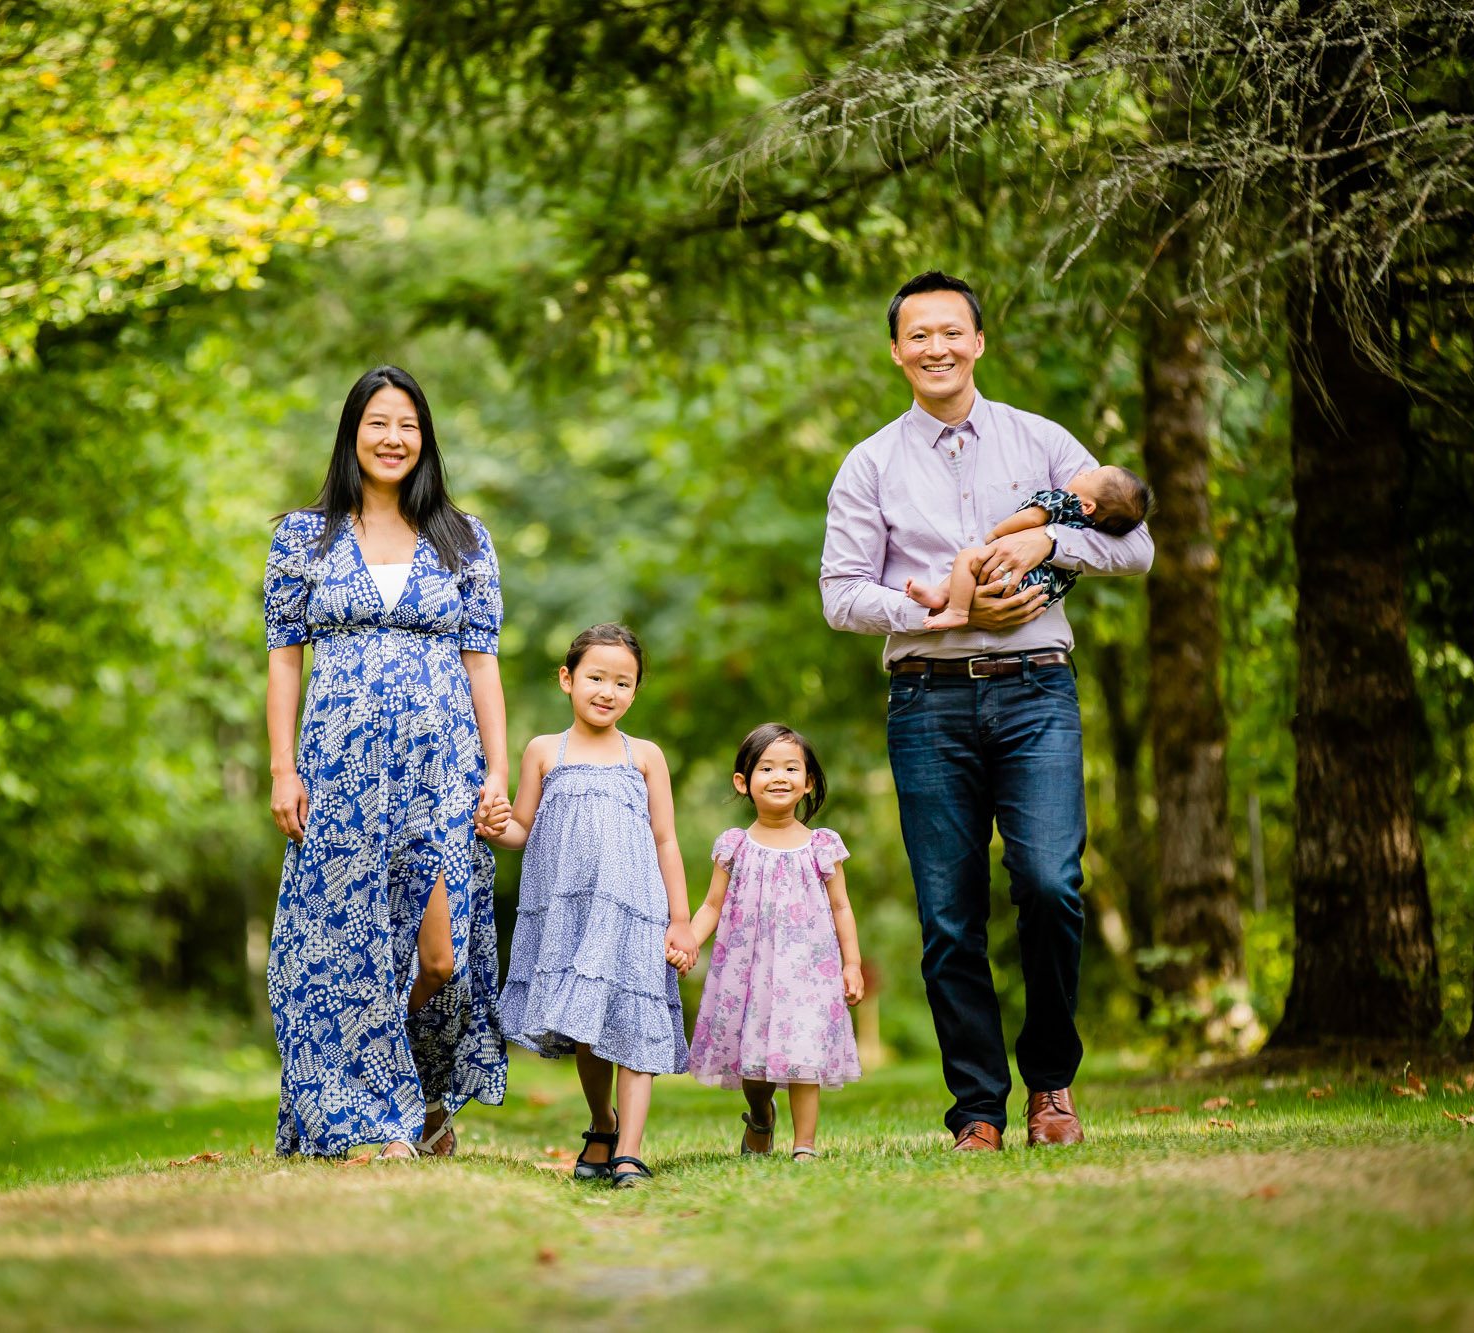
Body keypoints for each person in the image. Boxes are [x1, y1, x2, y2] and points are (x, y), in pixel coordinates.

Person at [820, 271, 1155, 1151]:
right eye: (917, 335)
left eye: (951, 332)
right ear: (897, 351)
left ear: (977, 341)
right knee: (949, 915)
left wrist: (1051, 539)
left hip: (1037, 687)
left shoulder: (1040, 442)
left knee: (1051, 884)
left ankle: (1051, 1084)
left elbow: (1138, 539)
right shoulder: (871, 462)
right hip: (928, 698)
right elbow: (841, 594)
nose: (936, 347)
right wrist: (941, 609)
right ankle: (976, 1109)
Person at [263, 365, 513, 1160]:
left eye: (408, 423)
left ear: (425, 438)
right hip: (337, 771)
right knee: (344, 947)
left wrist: (496, 773)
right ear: (352, 432)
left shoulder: (464, 539)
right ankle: (363, 1117)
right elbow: (282, 659)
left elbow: (482, 662)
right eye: (378, 421)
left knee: (440, 956)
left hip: (442, 772)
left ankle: (417, 1089)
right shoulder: (305, 537)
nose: (393, 437)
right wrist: (281, 768)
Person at [490, 624, 698, 1188]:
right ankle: (603, 1123)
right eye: (596, 678)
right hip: (569, 914)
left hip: (635, 910)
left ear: (635, 692)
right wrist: (492, 825)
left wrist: (680, 920)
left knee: (635, 1018)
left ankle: (629, 1151)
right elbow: (522, 830)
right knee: (587, 1025)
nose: (608, 691)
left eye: (623, 682)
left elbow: (665, 841)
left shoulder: (645, 756)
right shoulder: (543, 751)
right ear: (568, 679)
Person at [685, 724, 865, 1162]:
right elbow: (712, 904)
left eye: (791, 767)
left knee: (805, 1056)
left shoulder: (822, 846)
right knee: (754, 1067)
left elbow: (841, 907)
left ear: (808, 783)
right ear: (743, 782)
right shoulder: (735, 846)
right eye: (766, 767)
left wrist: (852, 964)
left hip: (809, 972)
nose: (779, 776)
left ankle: (805, 1144)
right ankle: (761, 1115)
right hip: (749, 974)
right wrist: (688, 940)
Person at [907, 465, 1152, 629]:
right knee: (972, 568)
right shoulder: (1092, 530)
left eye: (1090, 476)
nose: (1083, 471)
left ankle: (952, 607)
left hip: (1014, 574)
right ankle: (944, 597)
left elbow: (1033, 518)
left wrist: (997, 532)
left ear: (1088, 506)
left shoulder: (1064, 500)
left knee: (966, 559)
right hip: (1036, 592)